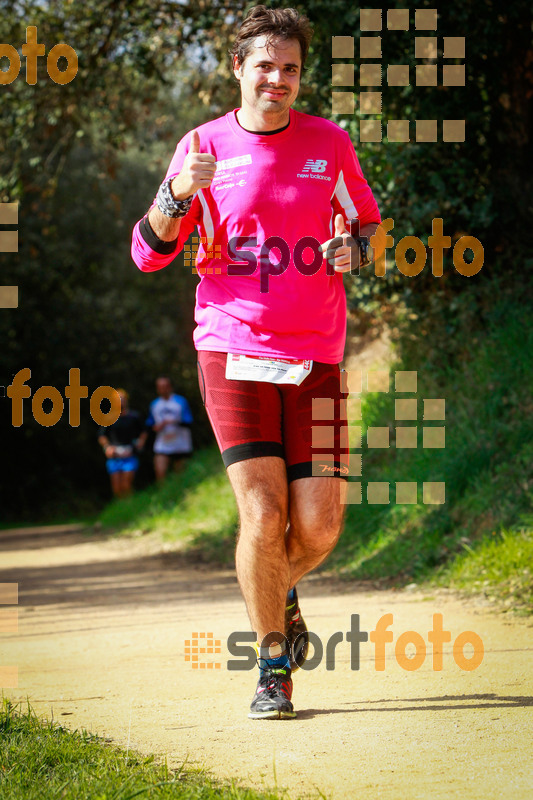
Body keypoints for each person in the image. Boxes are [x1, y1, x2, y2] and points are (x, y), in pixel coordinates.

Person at [131, 5, 380, 719]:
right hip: (232, 348)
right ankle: (273, 669)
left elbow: (366, 225)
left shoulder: (327, 145)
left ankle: (273, 587)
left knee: (322, 527)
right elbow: (148, 254)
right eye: (264, 65)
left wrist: (354, 251)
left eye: (291, 68)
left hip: (317, 356)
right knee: (264, 517)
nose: (278, 79)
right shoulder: (201, 147)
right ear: (237, 67)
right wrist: (177, 193)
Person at [97, 389, 148, 498]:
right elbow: (102, 436)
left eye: (122, 399)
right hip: (115, 455)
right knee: (117, 488)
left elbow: (143, 432)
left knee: (126, 484)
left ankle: (130, 504)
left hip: (130, 453)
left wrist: (140, 443)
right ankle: (121, 508)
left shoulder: (135, 416)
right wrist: (107, 447)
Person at [146, 376, 194, 482]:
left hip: (180, 443)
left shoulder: (180, 401)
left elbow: (189, 421)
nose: (163, 389)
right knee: (160, 472)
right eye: (160, 387)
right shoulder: (154, 404)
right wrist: (156, 427)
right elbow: (149, 425)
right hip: (163, 444)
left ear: (170, 387)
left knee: (180, 474)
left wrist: (174, 421)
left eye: (165, 386)